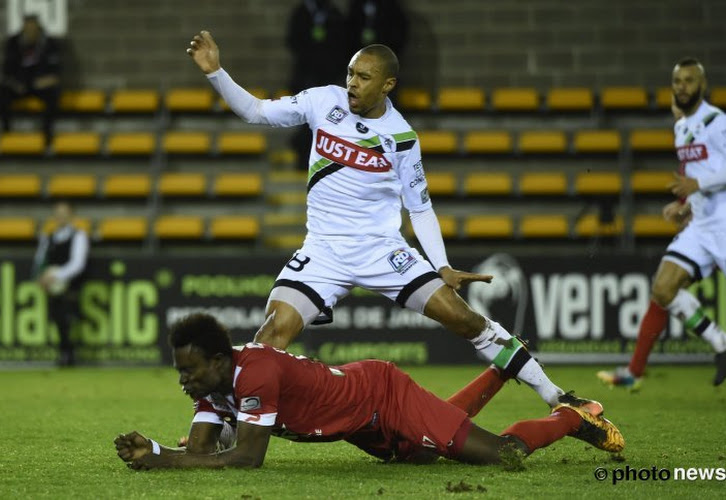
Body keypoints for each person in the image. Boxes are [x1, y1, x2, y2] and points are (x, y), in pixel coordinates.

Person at [186, 31, 595, 411]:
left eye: (364, 77)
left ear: (387, 85)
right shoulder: (322, 101)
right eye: (350, 73)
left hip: (383, 250)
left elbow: (420, 207)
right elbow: (255, 111)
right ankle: (225, 425)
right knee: (269, 338)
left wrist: (442, 265)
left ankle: (555, 394)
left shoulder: (401, 137)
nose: (352, 84)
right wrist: (216, 73)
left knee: (464, 319)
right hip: (323, 250)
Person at [113, 313, 624, 470]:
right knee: (429, 452)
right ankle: (498, 374)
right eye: (181, 372)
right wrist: (155, 450)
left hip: (381, 396)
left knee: (503, 456)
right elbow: (199, 451)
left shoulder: (255, 373)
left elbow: (247, 458)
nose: (185, 381)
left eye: (192, 371)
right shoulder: (215, 389)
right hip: (361, 426)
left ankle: (573, 417)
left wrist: (164, 462)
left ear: (220, 361)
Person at [598, 58, 726, 389]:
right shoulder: (681, 127)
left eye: (688, 80)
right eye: (677, 81)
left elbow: (707, 177)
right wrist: (685, 205)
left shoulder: (716, 121)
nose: (682, 86)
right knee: (663, 288)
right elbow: (697, 173)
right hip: (700, 226)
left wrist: (698, 187)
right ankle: (719, 344)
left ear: (702, 85)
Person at [286, 0, 348, 169]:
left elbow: (343, 44)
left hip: (328, 78)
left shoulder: (334, 13)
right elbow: (293, 41)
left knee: (324, 121)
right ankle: (303, 155)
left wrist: (332, 68)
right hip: (305, 78)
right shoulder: (302, 12)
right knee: (306, 120)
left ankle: (321, 158)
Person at [32, 201, 89, 366]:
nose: (61, 216)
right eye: (58, 213)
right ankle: (64, 352)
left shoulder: (79, 236)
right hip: (52, 289)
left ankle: (70, 353)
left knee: (68, 318)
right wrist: (40, 277)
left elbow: (78, 264)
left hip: (71, 286)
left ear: (71, 215)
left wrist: (56, 275)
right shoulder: (48, 238)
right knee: (56, 319)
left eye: (64, 213)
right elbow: (39, 261)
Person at [0, 14, 62, 143]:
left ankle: (47, 133)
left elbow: (56, 74)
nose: (31, 32)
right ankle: (6, 130)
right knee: (0, 92)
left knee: (54, 93)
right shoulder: (13, 43)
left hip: (40, 86)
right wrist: (15, 84)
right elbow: (5, 72)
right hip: (19, 86)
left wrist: (43, 82)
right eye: (28, 29)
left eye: (33, 29)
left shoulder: (49, 43)